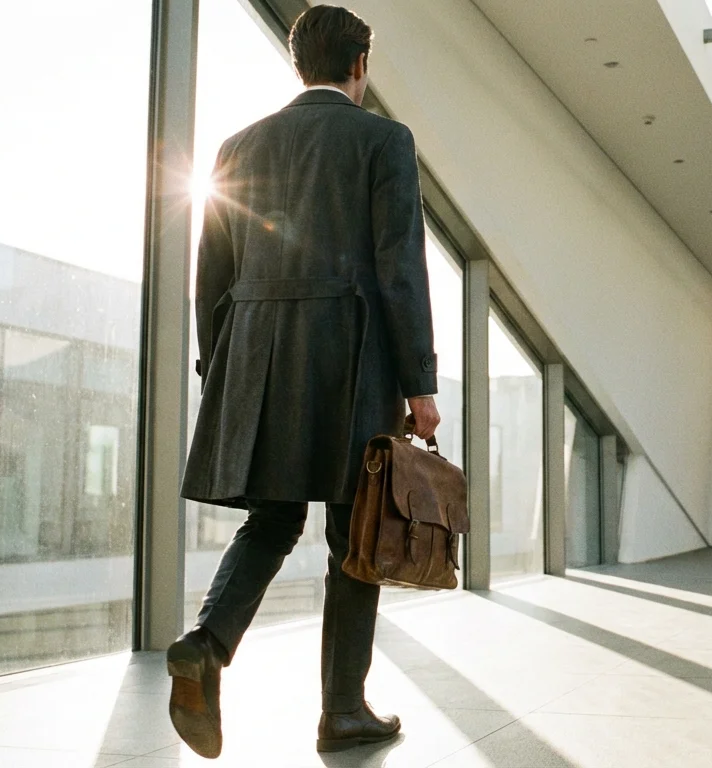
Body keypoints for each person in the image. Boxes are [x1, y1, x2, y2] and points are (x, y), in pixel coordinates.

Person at [167, 5, 440, 758]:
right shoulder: (384, 140)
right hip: (351, 361)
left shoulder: (237, 145)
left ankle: (207, 644)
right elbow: (400, 269)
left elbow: (211, 279)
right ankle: (342, 712)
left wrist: (222, 369)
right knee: (357, 535)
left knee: (273, 520)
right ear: (360, 67)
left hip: (256, 365)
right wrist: (420, 385)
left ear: (300, 66)